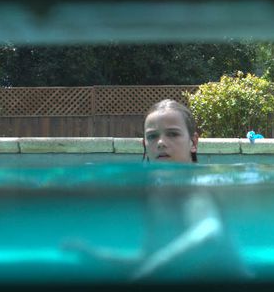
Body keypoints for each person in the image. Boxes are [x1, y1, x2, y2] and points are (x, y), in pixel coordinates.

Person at [64, 99, 250, 280]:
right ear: (144, 144)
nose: (161, 142)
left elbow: (209, 235)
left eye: (172, 134)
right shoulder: (156, 194)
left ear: (193, 142)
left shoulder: (195, 188)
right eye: (152, 136)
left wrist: (142, 277)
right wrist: (95, 255)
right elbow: (151, 259)